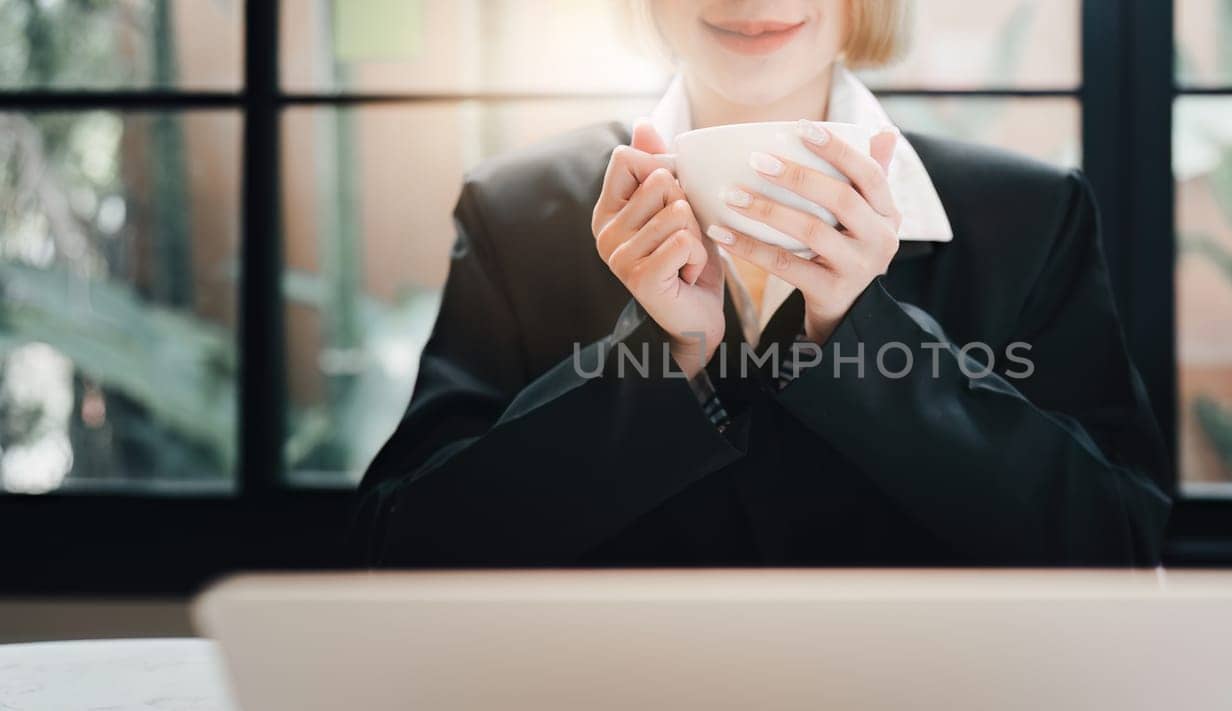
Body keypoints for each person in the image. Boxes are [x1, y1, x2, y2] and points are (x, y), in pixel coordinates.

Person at [354, 0, 1170, 568]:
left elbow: (1120, 543)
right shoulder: (518, 211)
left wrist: (861, 329)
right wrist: (662, 355)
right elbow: (404, 548)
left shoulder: (1028, 214)